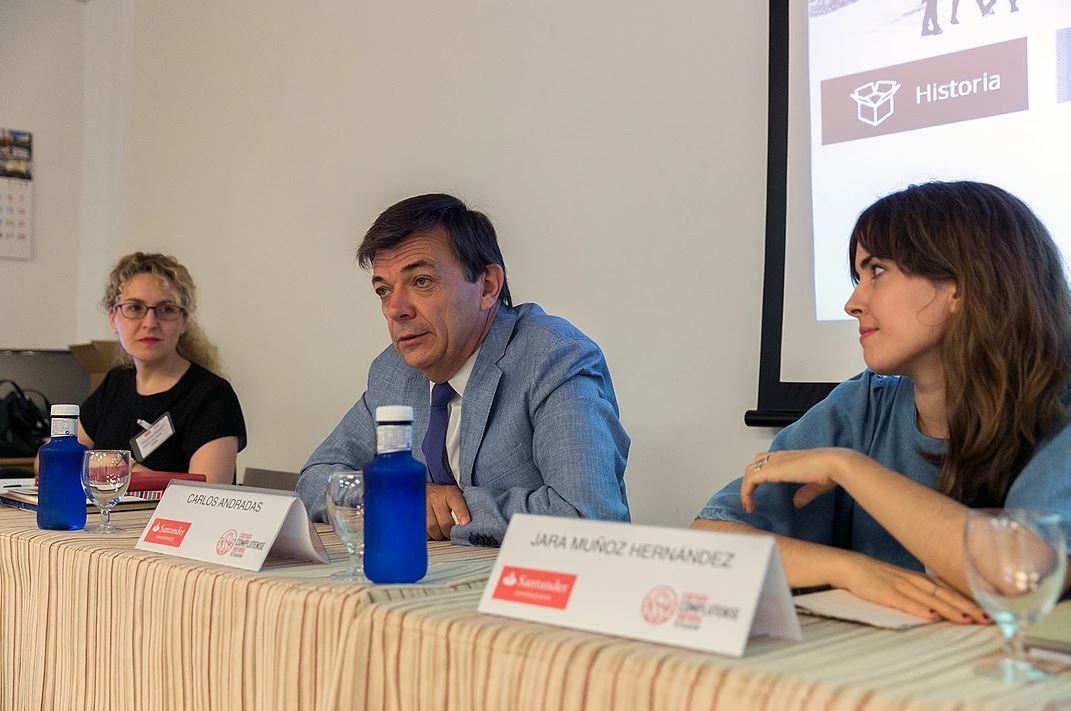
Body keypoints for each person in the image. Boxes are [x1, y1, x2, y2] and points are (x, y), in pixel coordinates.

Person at [693, 181, 1071, 622]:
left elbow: (1020, 573)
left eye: (876, 272)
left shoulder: (1059, 411)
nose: (853, 303)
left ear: (961, 286)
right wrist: (852, 570)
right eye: (858, 278)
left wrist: (848, 469)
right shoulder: (863, 404)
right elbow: (708, 541)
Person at [296, 193, 630, 546]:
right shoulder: (393, 372)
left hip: (543, 593)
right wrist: (400, 496)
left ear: (487, 287)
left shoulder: (554, 358)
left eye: (421, 281)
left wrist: (450, 509)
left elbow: (588, 519)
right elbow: (315, 480)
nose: (396, 309)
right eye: (383, 290)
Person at [76, 252, 246, 483]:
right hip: (107, 518)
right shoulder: (115, 383)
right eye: (135, 308)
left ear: (184, 320)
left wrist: (115, 467)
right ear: (113, 318)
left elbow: (209, 494)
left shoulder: (213, 396)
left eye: (166, 309)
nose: (150, 323)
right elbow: (48, 463)